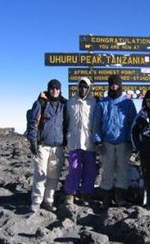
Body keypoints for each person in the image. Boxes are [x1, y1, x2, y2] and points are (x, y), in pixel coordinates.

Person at [93, 74, 137, 209]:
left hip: (124, 142)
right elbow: (96, 124)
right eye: (112, 85)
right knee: (107, 171)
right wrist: (98, 141)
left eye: (117, 84)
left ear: (121, 85)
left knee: (122, 171)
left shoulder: (128, 103)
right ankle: (106, 198)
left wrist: (132, 142)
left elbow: (134, 123)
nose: (115, 87)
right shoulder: (102, 103)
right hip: (107, 142)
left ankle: (120, 197)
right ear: (109, 86)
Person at [26, 79, 67, 212]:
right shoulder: (41, 103)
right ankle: (37, 201)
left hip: (58, 146)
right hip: (43, 145)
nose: (55, 91)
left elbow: (67, 124)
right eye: (52, 88)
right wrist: (33, 141)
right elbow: (33, 123)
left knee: (53, 175)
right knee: (40, 174)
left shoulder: (64, 104)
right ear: (48, 89)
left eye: (57, 88)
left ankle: (48, 201)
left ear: (60, 90)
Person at [64, 77, 97, 205]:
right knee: (74, 168)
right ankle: (71, 192)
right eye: (81, 86)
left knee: (90, 169)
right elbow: (66, 120)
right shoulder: (70, 102)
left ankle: (86, 193)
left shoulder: (93, 103)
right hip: (74, 140)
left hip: (89, 141)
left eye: (85, 87)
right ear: (77, 87)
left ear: (89, 88)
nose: (83, 89)